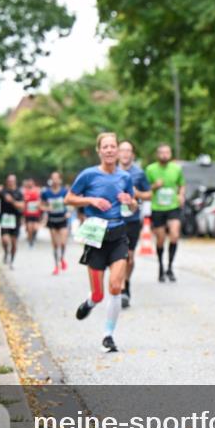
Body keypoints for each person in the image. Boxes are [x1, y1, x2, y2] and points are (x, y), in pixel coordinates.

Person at [65, 132, 137, 353]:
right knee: (98, 294)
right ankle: (90, 302)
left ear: (117, 150)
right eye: (105, 146)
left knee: (116, 287)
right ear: (99, 151)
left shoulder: (125, 177)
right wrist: (90, 200)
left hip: (118, 235)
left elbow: (133, 206)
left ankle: (108, 335)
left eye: (112, 146)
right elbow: (68, 198)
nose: (109, 150)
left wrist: (129, 201)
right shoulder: (88, 175)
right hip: (95, 236)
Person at [117, 140, 152, 308]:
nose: (125, 153)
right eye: (122, 150)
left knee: (129, 258)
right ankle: (121, 288)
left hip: (131, 220)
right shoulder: (110, 172)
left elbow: (149, 194)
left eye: (128, 150)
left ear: (132, 154)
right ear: (117, 153)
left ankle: (126, 284)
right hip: (114, 221)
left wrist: (137, 193)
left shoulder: (139, 173)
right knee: (118, 257)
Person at [145, 144, 185, 282]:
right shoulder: (150, 169)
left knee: (174, 235)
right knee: (161, 239)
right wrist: (154, 186)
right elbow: (144, 189)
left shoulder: (177, 168)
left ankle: (170, 267)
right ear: (157, 154)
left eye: (167, 152)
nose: (164, 155)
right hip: (157, 208)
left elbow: (182, 184)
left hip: (173, 207)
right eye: (161, 152)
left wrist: (181, 195)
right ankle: (161, 267)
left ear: (170, 154)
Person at [41, 171, 70, 275]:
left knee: (63, 243)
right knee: (55, 245)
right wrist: (47, 208)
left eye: (56, 178)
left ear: (59, 180)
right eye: (53, 178)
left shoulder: (64, 191)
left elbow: (71, 203)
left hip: (63, 219)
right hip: (52, 221)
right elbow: (40, 205)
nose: (55, 180)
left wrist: (69, 212)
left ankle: (62, 258)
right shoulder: (46, 193)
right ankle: (56, 266)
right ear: (51, 180)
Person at [0, 175, 23, 269]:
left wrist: (12, 201)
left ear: (15, 181)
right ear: (7, 182)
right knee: (5, 240)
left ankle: (12, 260)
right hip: (5, 219)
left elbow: (22, 205)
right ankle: (6, 252)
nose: (10, 182)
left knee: (14, 243)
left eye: (12, 181)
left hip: (15, 219)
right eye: (9, 181)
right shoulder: (3, 191)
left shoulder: (19, 192)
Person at [22, 178, 43, 248]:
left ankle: (33, 237)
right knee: (29, 228)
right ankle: (30, 240)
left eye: (31, 183)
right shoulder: (24, 191)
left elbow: (40, 200)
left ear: (33, 183)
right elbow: (23, 202)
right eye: (29, 183)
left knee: (35, 228)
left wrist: (39, 203)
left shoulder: (37, 190)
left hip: (36, 213)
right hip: (28, 213)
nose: (30, 184)